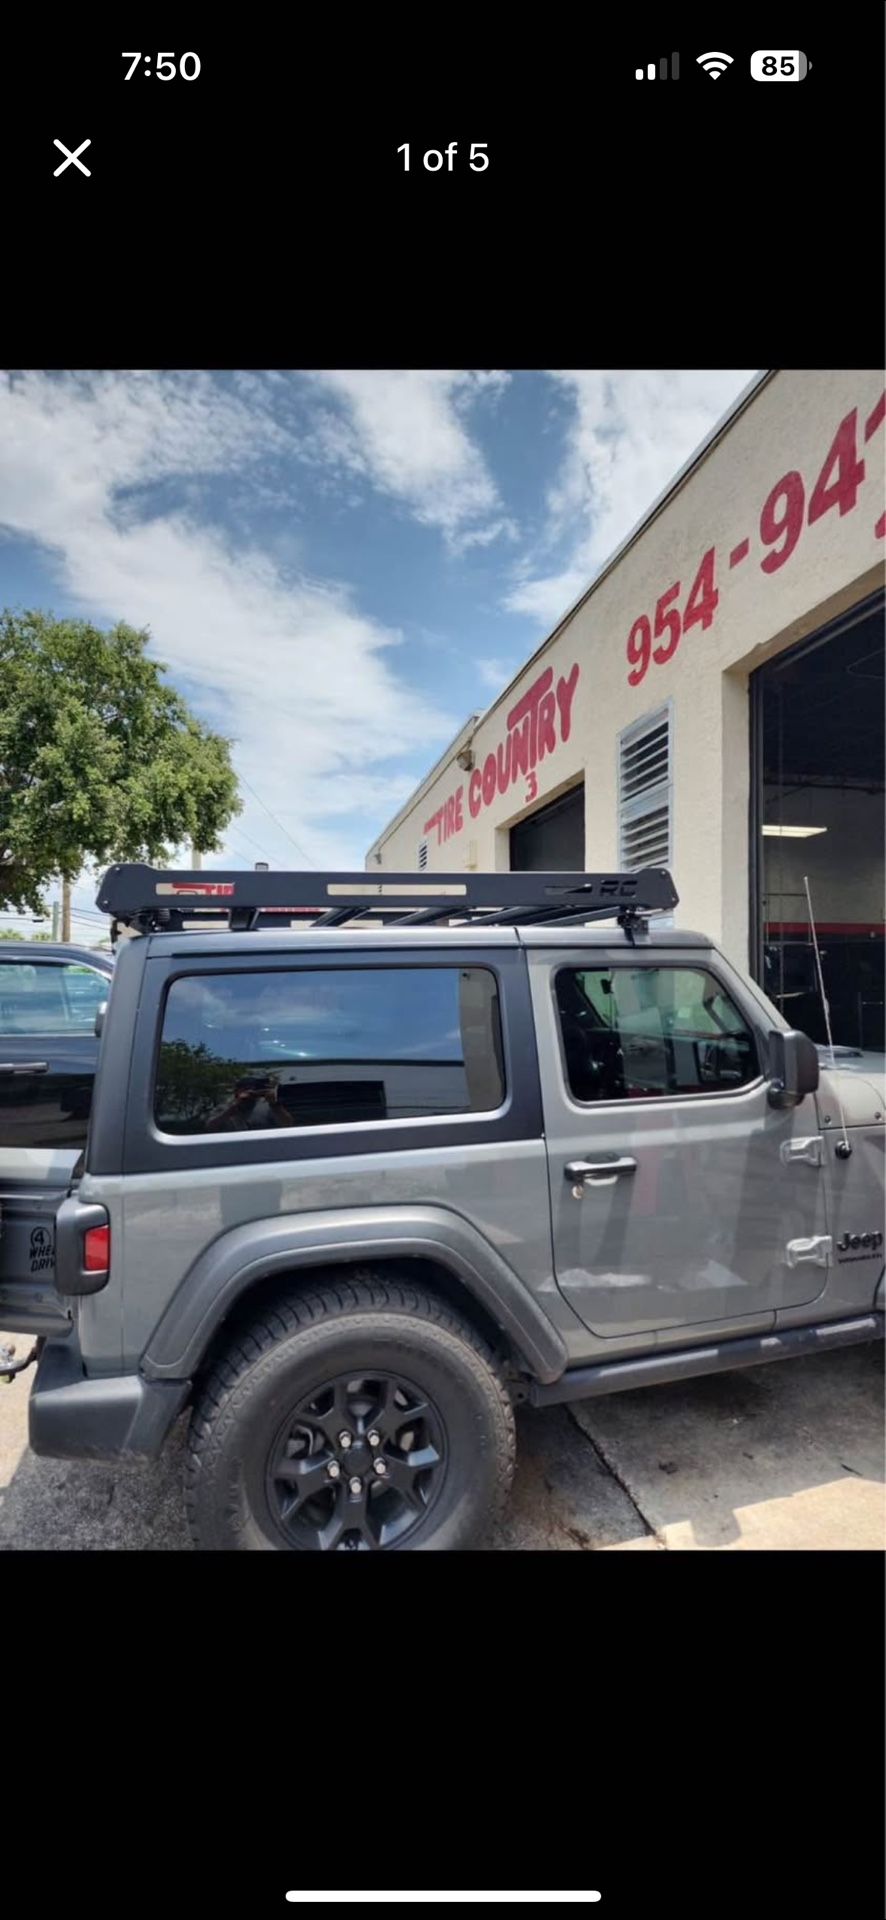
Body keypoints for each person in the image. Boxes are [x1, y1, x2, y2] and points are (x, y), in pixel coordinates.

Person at [206, 1073, 295, 1132]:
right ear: (236, 1091)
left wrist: (274, 1104)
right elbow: (210, 1127)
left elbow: (288, 1124)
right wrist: (234, 1108)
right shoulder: (224, 1108)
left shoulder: (266, 1107)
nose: (250, 1092)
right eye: (245, 1089)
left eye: (253, 1089)